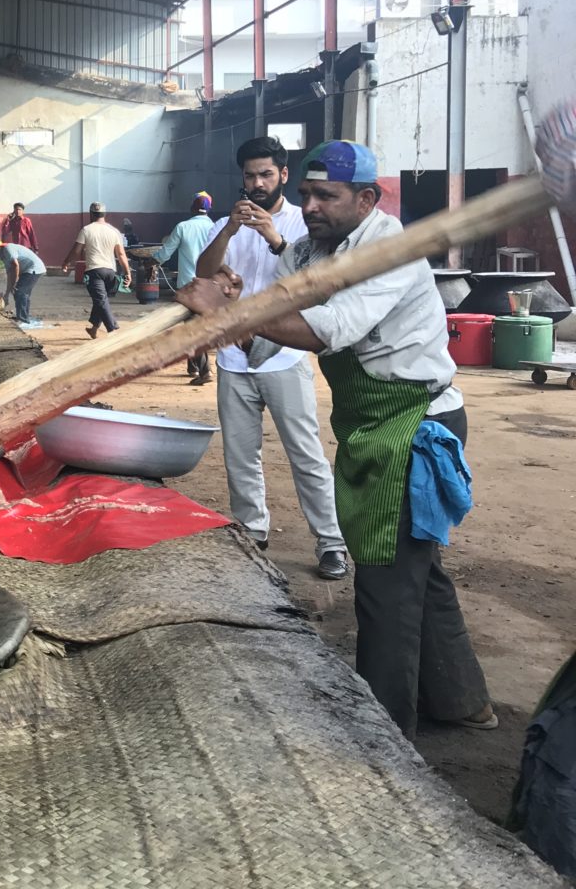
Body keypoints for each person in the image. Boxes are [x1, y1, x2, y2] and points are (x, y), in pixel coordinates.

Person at [178, 141, 492, 737]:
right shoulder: (303, 251)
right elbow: (272, 340)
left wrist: (229, 314)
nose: (311, 205)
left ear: (367, 199)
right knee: (417, 571)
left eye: (327, 196)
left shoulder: (390, 251)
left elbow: (332, 329)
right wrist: (225, 325)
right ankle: (461, 701)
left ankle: (384, 734)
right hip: (372, 422)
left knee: (383, 578)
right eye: (307, 195)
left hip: (417, 425)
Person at [194, 138, 347, 578]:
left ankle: (331, 542)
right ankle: (252, 531)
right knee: (240, 454)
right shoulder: (225, 224)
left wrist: (273, 237)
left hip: (285, 356)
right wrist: (228, 231)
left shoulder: (305, 222)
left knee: (306, 453)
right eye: (249, 175)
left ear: (283, 175)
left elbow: (315, 285)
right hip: (233, 358)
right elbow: (205, 275)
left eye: (266, 174)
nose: (257, 183)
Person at [152, 191, 219, 384]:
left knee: (192, 330)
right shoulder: (217, 228)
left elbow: (165, 252)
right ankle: (193, 365)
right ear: (209, 209)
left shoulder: (183, 227)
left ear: (191, 208)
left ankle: (205, 371)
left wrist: (152, 262)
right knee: (200, 326)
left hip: (188, 286)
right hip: (211, 286)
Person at [61, 202, 130, 338]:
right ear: (104, 214)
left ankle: (112, 329)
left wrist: (66, 262)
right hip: (110, 272)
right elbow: (121, 254)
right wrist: (127, 273)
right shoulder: (114, 231)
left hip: (94, 271)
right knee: (101, 300)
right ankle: (94, 328)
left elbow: (77, 250)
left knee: (101, 300)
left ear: (91, 214)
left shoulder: (87, 230)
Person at [0, 237, 45, 327]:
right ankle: (24, 317)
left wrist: (14, 283)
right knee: (20, 292)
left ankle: (23, 319)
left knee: (20, 292)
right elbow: (9, 275)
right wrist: (6, 294)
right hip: (26, 270)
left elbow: (15, 265)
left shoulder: (8, 249)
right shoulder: (3, 257)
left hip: (34, 268)